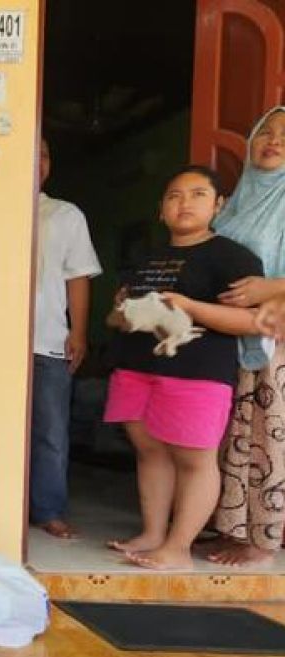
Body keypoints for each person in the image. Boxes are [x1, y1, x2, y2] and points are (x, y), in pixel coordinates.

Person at [104, 166, 263, 570]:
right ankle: (153, 534)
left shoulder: (232, 257)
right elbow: (114, 316)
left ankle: (177, 549)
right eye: (174, 196)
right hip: (138, 368)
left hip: (198, 372)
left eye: (197, 194)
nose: (184, 203)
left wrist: (190, 308)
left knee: (195, 460)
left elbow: (252, 321)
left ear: (218, 204)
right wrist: (126, 316)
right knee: (149, 452)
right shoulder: (146, 258)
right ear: (161, 210)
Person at [209, 106, 285, 567]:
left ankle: (265, 539)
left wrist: (270, 287)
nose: (273, 141)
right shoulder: (238, 201)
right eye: (265, 133)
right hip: (232, 336)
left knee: (270, 437)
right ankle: (237, 529)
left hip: (275, 337)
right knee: (239, 434)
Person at [30, 137, 103, 539]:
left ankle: (48, 509)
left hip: (49, 339)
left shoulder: (64, 214)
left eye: (44, 153)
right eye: (30, 152)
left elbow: (77, 276)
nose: (37, 161)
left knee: (51, 431)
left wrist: (78, 331)